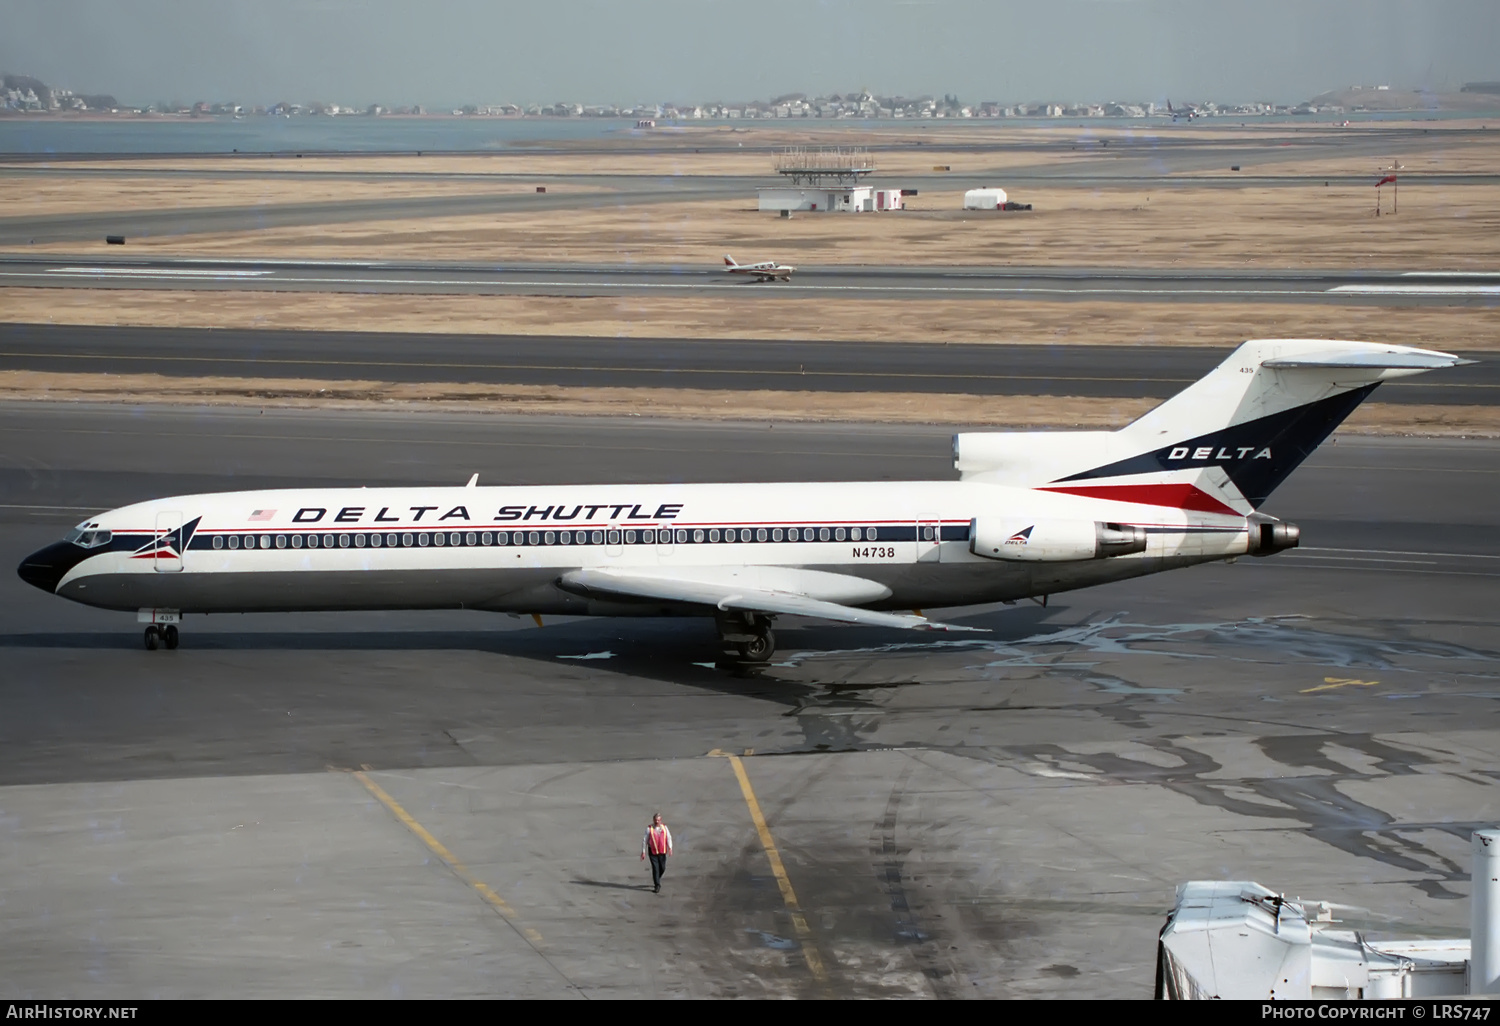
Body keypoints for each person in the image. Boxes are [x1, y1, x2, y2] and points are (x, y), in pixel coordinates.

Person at [641, 813, 673, 893]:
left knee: (662, 867)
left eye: (658, 820)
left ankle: (657, 878)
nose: (657, 822)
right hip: (653, 852)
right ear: (653, 820)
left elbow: (669, 837)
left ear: (660, 820)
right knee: (655, 868)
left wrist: (670, 848)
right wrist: (643, 851)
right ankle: (657, 885)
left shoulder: (664, 828)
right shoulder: (649, 829)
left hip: (662, 851)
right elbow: (645, 840)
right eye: (655, 820)